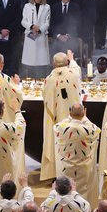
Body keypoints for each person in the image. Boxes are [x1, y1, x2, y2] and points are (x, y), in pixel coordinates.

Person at [41, 50, 81, 181]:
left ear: (53, 63)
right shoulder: (74, 74)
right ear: (67, 62)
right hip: (72, 119)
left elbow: (46, 98)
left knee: (56, 144)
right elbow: (76, 69)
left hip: (56, 120)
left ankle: (56, 173)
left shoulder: (49, 80)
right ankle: (71, 173)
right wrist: (72, 59)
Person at [21, 0, 51, 78]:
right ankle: (29, 78)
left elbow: (47, 22)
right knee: (30, 61)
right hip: (30, 35)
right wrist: (32, 26)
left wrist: (40, 29)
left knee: (41, 60)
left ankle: (41, 79)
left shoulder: (47, 7)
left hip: (41, 35)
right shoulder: (27, 6)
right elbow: (23, 21)